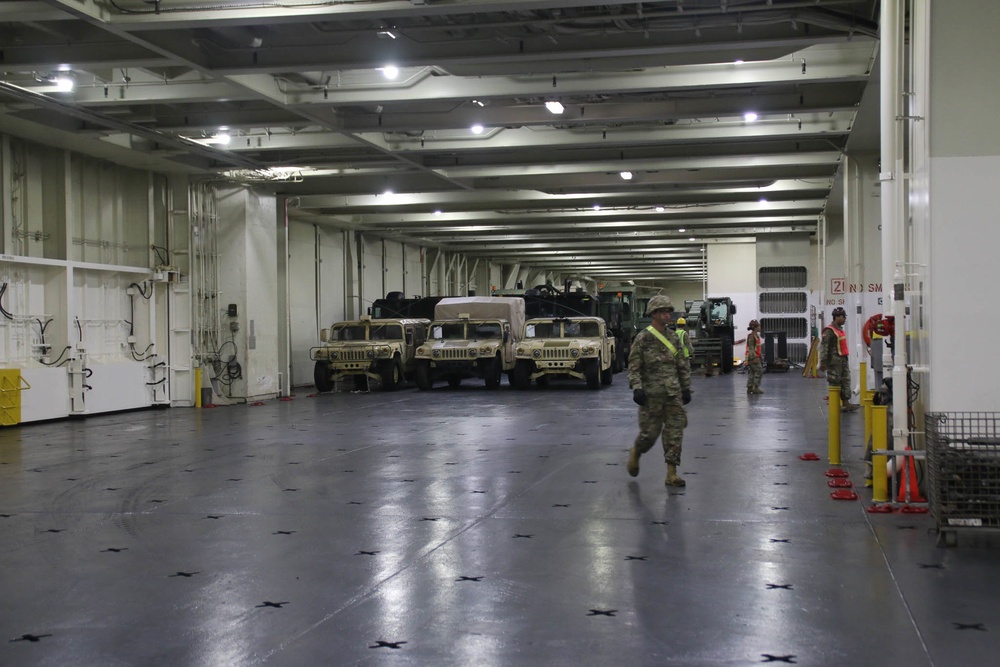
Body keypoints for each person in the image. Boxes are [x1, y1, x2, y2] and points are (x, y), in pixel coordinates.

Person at [627, 295, 692, 487]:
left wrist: (686, 387)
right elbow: (634, 366)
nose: (668, 315)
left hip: (673, 394)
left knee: (675, 432)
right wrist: (637, 388)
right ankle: (636, 451)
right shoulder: (643, 338)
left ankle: (671, 473)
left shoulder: (673, 337)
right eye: (663, 311)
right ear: (654, 314)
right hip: (651, 395)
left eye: (669, 311)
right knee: (650, 434)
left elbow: (682, 364)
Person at [819, 306, 859, 412]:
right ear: (837, 317)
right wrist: (823, 362)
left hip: (843, 360)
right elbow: (824, 347)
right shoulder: (829, 331)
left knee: (845, 381)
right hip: (834, 362)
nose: (844, 319)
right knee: (835, 382)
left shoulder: (839, 330)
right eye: (843, 317)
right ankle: (834, 404)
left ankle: (846, 403)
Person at [745, 319, 764, 395]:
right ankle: (756, 387)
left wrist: (760, 356)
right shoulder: (752, 337)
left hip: (755, 357)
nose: (760, 327)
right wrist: (754, 358)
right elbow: (751, 348)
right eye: (759, 326)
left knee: (752, 372)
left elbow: (757, 348)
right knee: (759, 370)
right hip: (753, 358)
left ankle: (749, 388)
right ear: (755, 327)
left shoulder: (756, 336)